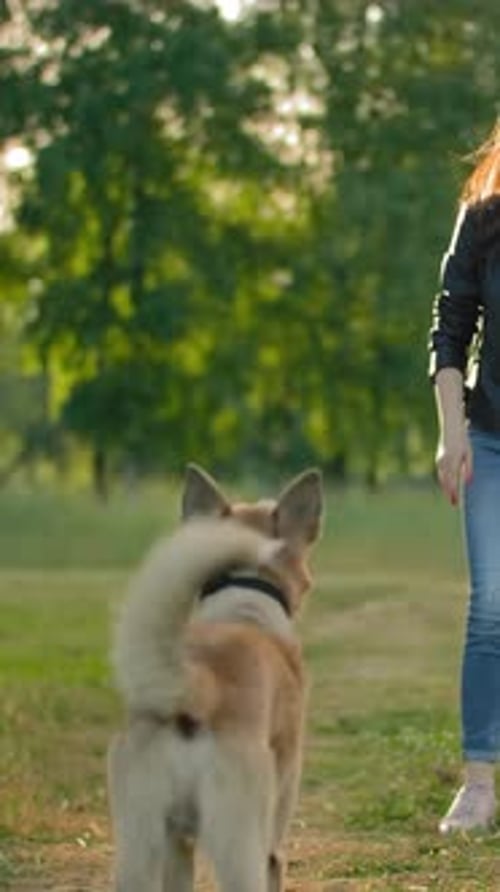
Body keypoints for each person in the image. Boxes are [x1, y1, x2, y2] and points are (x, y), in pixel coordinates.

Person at [429, 120, 500, 833]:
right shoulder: (484, 213)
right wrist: (452, 435)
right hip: (492, 436)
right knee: (491, 606)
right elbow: (451, 326)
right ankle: (478, 782)